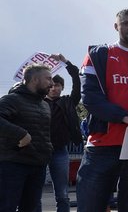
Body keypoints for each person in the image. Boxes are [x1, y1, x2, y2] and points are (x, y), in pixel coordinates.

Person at [76, 8, 128, 212]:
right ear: (116, 26)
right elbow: (90, 99)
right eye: (126, 23)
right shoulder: (98, 54)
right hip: (103, 143)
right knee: (90, 205)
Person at [0, 64, 54, 212]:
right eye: (48, 78)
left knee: (31, 208)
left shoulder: (45, 105)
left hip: (38, 165)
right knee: (6, 207)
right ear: (35, 79)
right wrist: (21, 134)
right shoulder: (12, 100)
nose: (52, 83)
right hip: (13, 165)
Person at [43, 54, 83, 212]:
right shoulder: (37, 102)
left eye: (57, 85)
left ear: (61, 87)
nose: (54, 88)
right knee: (31, 194)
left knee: (62, 194)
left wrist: (65, 62)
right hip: (38, 151)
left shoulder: (68, 101)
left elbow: (77, 80)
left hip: (60, 150)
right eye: (51, 85)